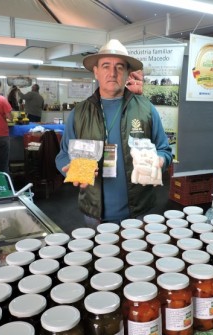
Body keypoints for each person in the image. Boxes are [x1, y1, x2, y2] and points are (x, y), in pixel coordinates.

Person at [55, 39, 172, 227]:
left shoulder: (146, 109)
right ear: (96, 71)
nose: (112, 73)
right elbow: (62, 155)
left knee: (139, 256)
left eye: (119, 67)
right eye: (106, 66)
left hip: (139, 211)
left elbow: (165, 150)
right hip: (94, 212)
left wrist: (160, 160)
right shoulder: (80, 112)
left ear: (127, 73)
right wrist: (69, 168)